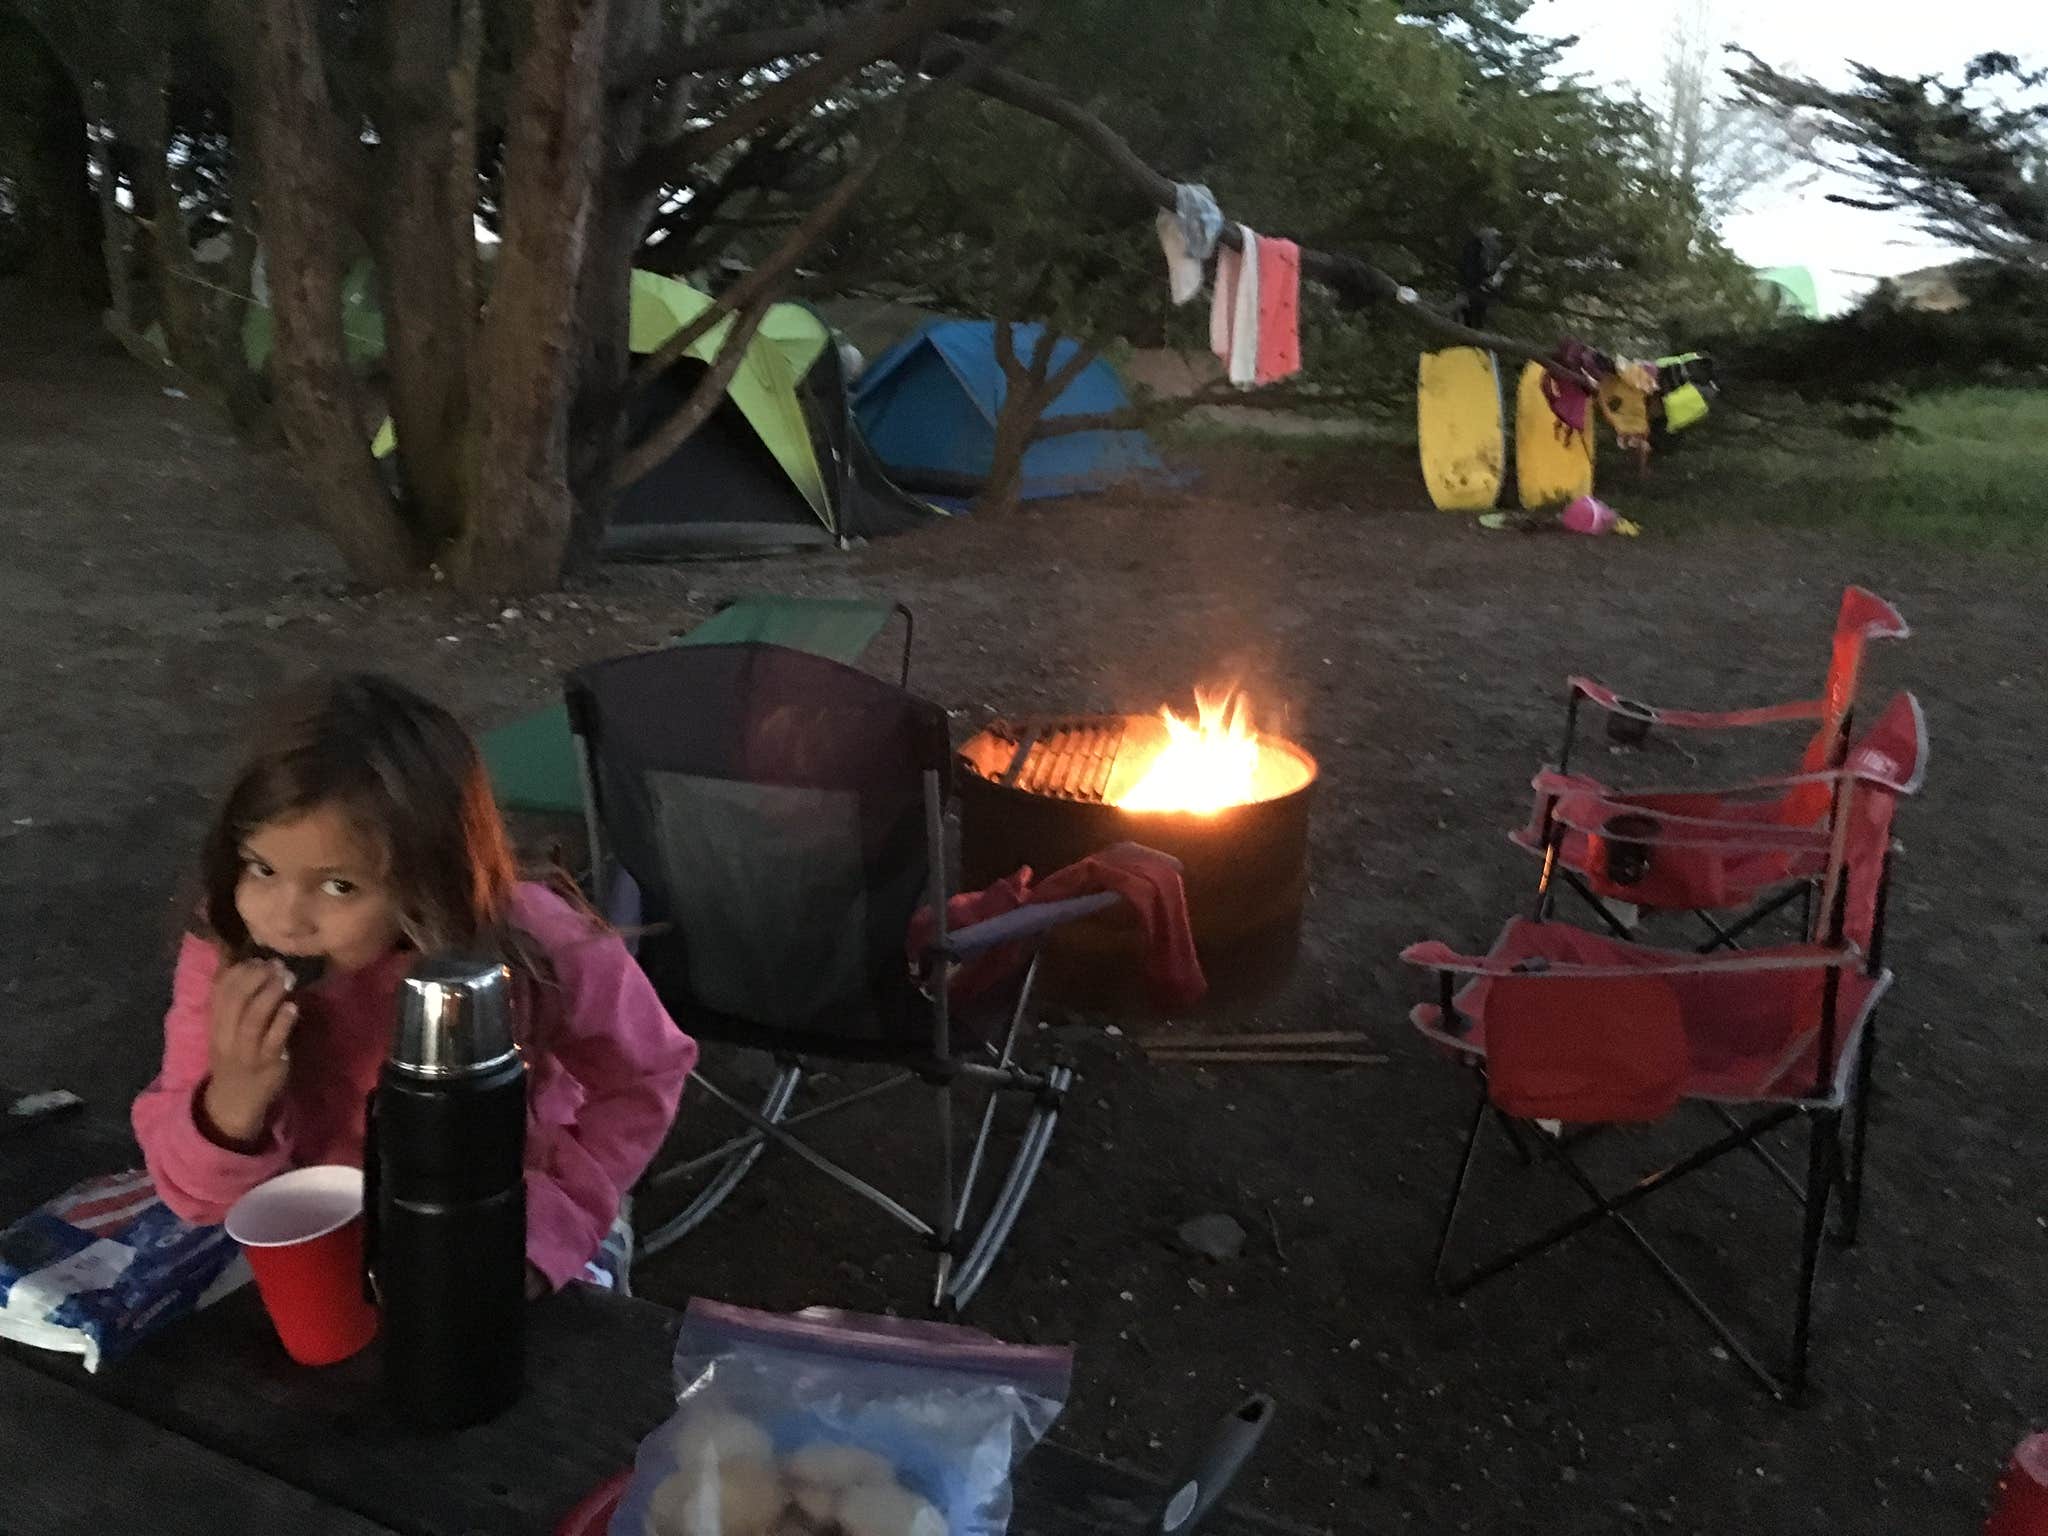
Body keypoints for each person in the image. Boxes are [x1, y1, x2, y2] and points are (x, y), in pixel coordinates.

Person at [132, 673, 696, 1295]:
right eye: (261, 868)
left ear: (428, 878)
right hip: (325, 1228)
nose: (284, 918)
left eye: (339, 885)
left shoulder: (536, 944)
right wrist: (234, 1099)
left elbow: (646, 1072)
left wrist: (555, 1214)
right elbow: (193, 1198)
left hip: (515, 1207)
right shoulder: (226, 953)